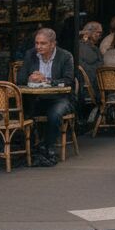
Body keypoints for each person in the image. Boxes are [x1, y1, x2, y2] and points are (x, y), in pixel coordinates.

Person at [14, 28, 77, 166]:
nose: (38, 47)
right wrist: (30, 77)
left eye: (43, 43)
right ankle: (28, 149)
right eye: (36, 43)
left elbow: (68, 80)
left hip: (60, 98)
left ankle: (49, 148)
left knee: (54, 115)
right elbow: (20, 80)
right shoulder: (30, 54)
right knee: (22, 112)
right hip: (36, 98)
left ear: (53, 44)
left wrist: (46, 80)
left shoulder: (65, 56)